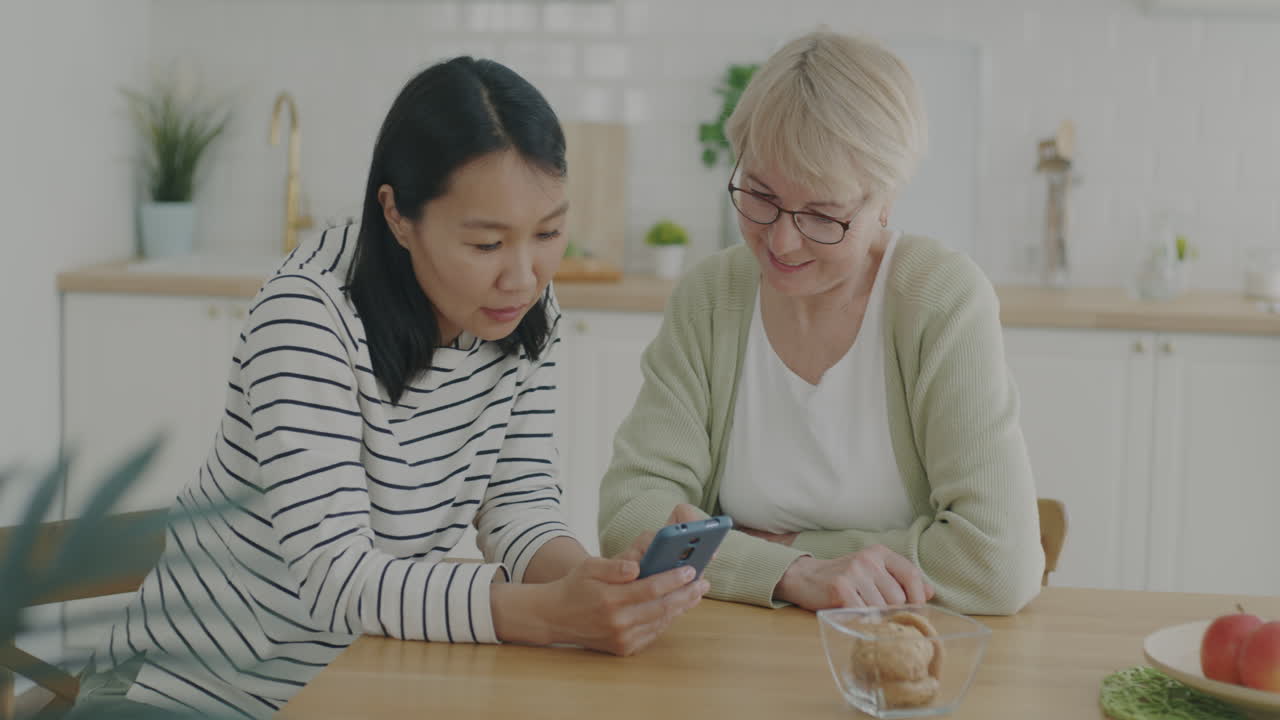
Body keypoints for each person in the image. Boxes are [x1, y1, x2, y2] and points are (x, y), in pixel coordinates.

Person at [73, 57, 707, 719]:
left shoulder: (524, 311)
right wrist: (549, 617)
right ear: (398, 216)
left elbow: (518, 506)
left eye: (548, 233)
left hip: (347, 686)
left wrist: (593, 583)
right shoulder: (308, 316)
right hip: (186, 694)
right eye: (487, 243)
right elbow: (337, 576)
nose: (523, 276)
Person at [598, 30, 1044, 616]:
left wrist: (773, 550)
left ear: (884, 200)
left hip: (894, 650)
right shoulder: (711, 296)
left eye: (822, 214)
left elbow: (997, 563)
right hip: (725, 653)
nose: (781, 240)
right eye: (759, 194)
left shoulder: (940, 300)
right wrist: (794, 573)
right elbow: (630, 516)